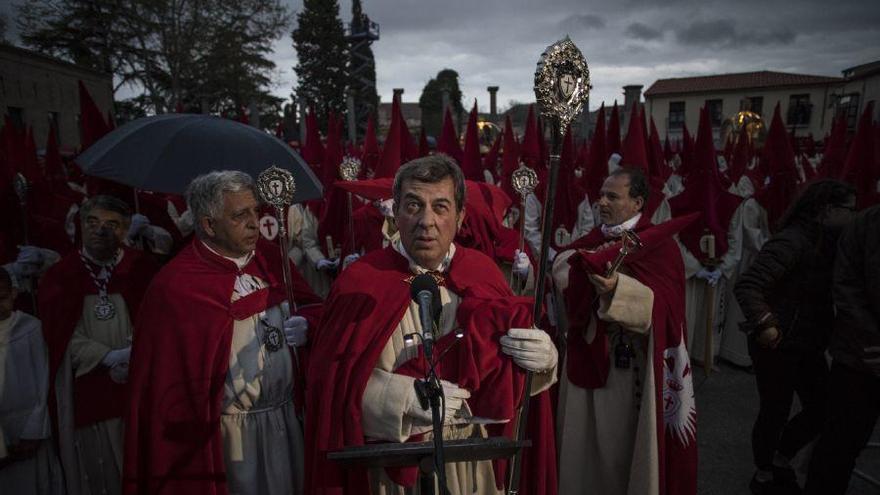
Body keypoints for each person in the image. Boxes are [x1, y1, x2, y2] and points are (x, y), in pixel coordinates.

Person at [305, 155, 559, 495]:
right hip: (394, 462)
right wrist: (399, 398)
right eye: (413, 205)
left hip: (471, 458)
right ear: (395, 213)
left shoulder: (483, 272)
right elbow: (331, 388)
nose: (427, 221)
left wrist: (545, 362)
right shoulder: (361, 281)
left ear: (460, 216)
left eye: (440, 207)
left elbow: (509, 382)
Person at [123, 171, 322, 495]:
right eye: (240, 215)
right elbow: (166, 385)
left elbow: (312, 306)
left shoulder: (272, 261)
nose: (254, 223)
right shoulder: (176, 286)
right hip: (228, 436)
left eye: (255, 211)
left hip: (287, 419)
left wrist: (308, 323)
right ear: (208, 225)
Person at [552, 167, 697, 495]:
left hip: (629, 369)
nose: (601, 202)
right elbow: (562, 275)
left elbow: (666, 309)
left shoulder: (661, 249)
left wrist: (619, 288)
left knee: (620, 452)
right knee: (580, 446)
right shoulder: (588, 243)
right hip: (582, 361)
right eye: (601, 195)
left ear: (637, 203)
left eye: (612, 196)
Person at [734, 179, 856, 494]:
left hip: (808, 342)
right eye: (849, 210)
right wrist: (766, 323)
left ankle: (780, 456)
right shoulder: (793, 241)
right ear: (827, 210)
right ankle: (764, 473)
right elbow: (749, 285)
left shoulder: (829, 242)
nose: (854, 217)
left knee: (823, 407)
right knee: (775, 409)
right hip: (775, 342)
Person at [37, 194, 159, 495]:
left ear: (126, 229)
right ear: (81, 225)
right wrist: (108, 356)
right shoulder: (59, 276)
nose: (100, 230)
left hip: (138, 392)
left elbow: (159, 321)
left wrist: (137, 351)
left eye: (112, 224)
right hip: (88, 395)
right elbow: (59, 338)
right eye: (92, 222)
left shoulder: (142, 268)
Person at [805, 203, 880, 495]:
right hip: (859, 358)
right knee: (838, 449)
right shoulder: (866, 224)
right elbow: (846, 287)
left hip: (860, 354)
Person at [0, 268, 64, 494]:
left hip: (30, 428)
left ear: (14, 293)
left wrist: (33, 432)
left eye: (2, 298)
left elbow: (43, 379)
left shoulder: (31, 328)